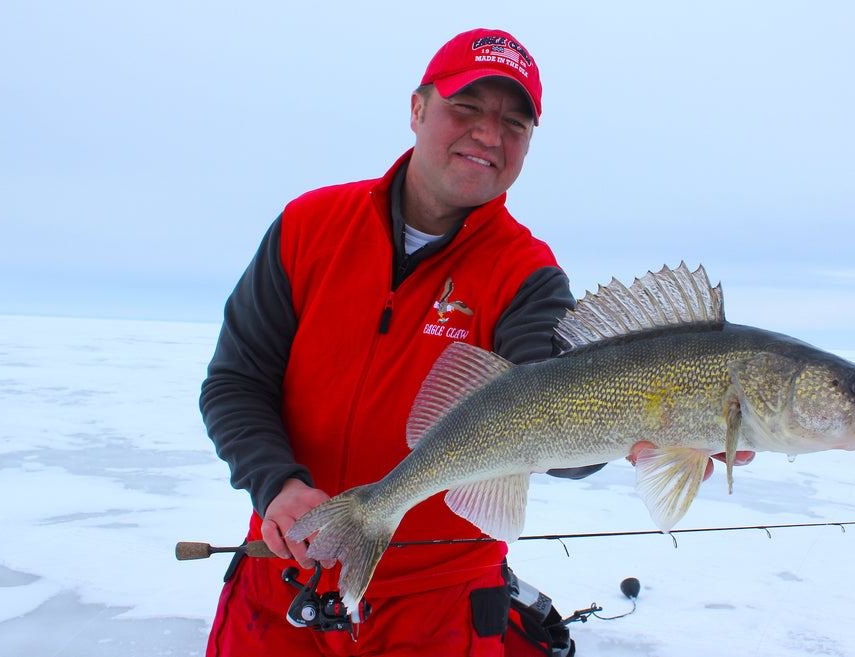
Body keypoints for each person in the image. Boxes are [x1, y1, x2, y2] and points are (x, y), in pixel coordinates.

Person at [200, 28, 751, 656]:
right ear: (417, 108)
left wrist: (639, 435)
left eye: (515, 122)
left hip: (440, 604)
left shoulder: (527, 275)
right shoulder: (309, 228)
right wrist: (275, 483)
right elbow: (236, 381)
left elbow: (548, 400)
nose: (490, 134)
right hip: (281, 584)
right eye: (467, 108)